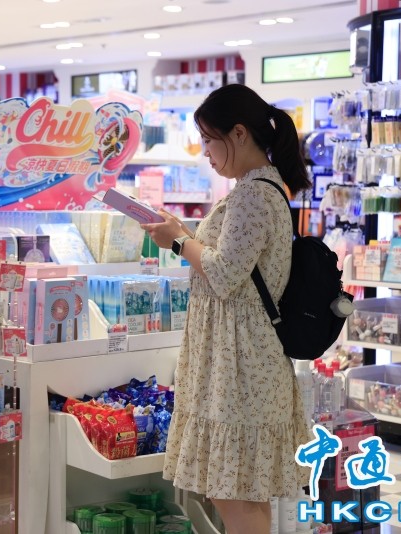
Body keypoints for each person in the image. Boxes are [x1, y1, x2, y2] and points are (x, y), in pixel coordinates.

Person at [141, 84, 311, 534]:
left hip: (241, 363)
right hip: (238, 358)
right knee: (239, 487)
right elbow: (228, 260)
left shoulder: (254, 194)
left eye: (208, 140)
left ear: (238, 133)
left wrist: (178, 241)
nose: (205, 152)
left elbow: (224, 272)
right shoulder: (254, 189)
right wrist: (182, 233)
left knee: (234, 489)